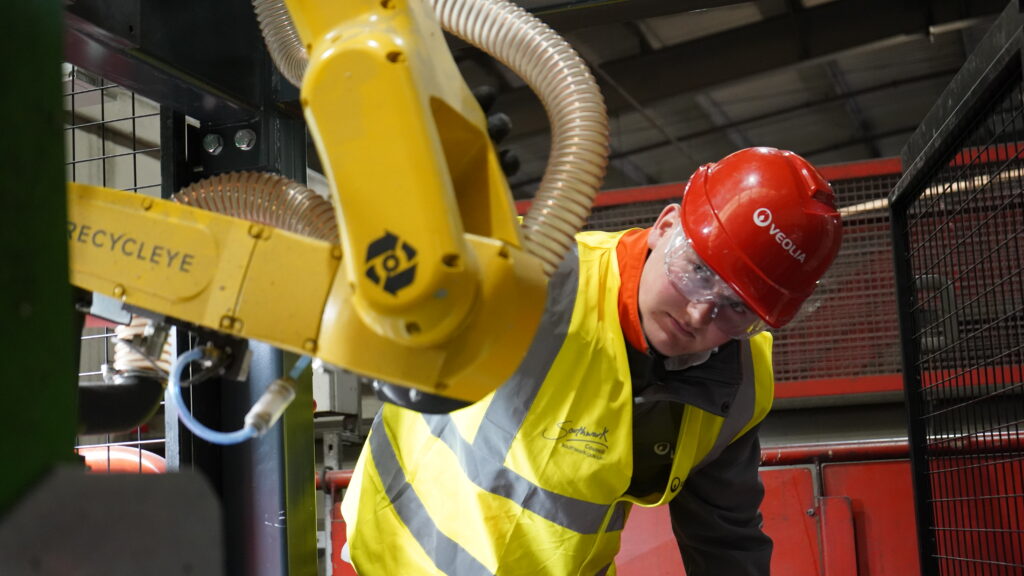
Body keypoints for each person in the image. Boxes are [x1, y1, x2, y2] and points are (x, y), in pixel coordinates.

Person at [340, 147, 843, 575]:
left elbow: (725, 539)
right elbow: (397, 279)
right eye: (697, 271)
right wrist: (436, 207)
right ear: (666, 226)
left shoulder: (739, 384)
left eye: (737, 307)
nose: (697, 313)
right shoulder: (533, 274)